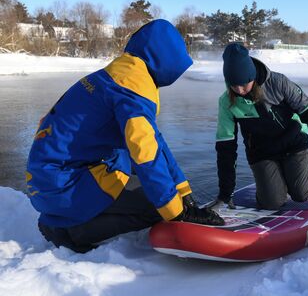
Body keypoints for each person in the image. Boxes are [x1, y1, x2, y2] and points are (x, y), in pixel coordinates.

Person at [25, 19, 224, 253]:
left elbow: (157, 144)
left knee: (135, 169)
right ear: (165, 60)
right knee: (156, 206)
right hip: (62, 185)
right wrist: (177, 212)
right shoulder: (131, 89)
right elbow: (146, 155)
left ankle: (67, 216)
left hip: (47, 180)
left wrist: (184, 193)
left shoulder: (117, 76)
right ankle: (71, 232)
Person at [209, 43, 308, 210]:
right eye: (234, 85)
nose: (240, 90)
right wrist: (224, 195)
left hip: (293, 143)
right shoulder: (226, 102)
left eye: (244, 84)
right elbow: (225, 149)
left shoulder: (278, 83)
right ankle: (277, 183)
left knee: (301, 194)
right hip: (261, 152)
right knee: (271, 203)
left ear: (253, 76)